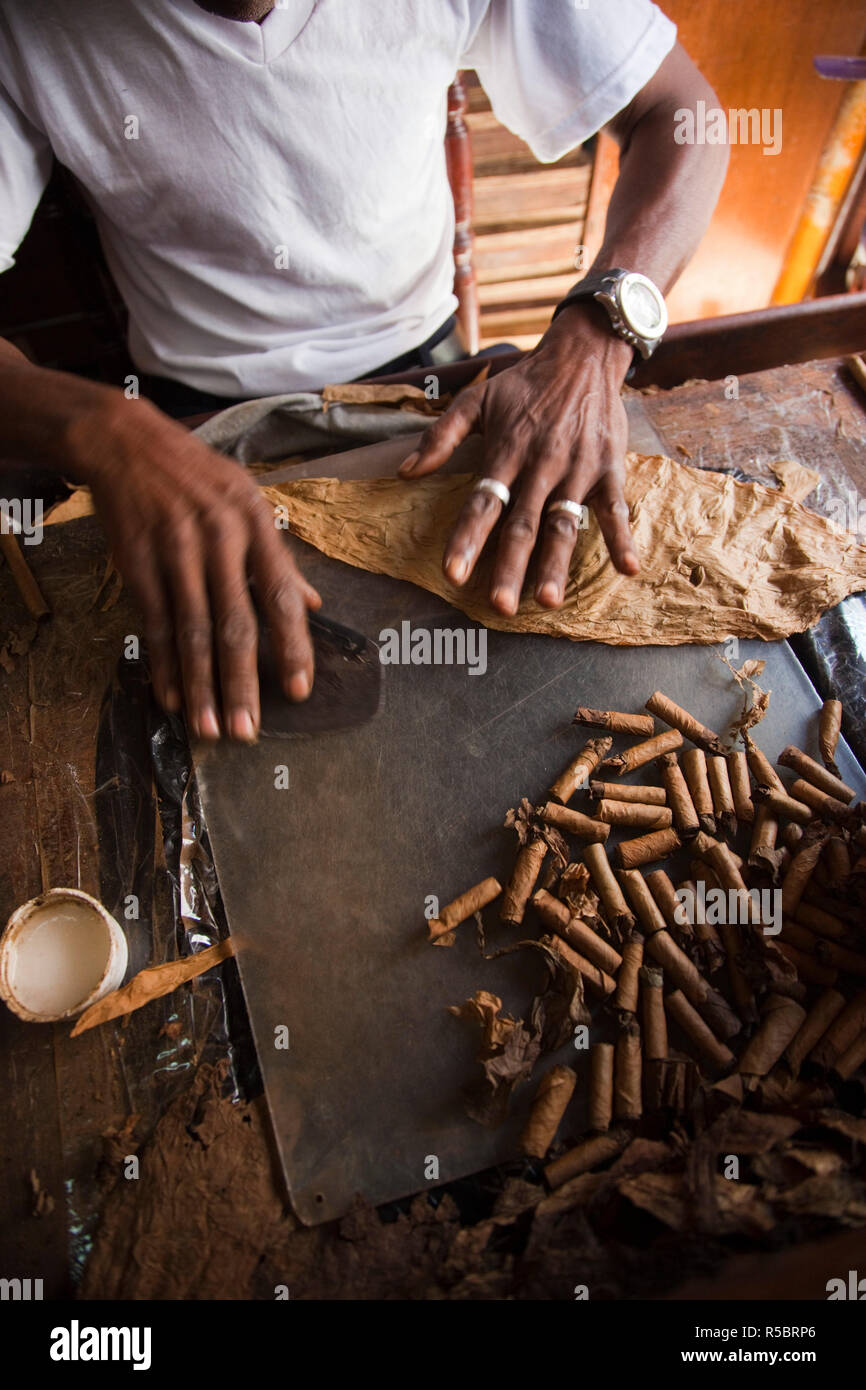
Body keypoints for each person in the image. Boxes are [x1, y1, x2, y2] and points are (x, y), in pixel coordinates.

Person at [0, 1, 728, 739]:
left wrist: (597, 336)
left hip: (430, 372)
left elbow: (678, 111)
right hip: (187, 414)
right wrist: (100, 426)